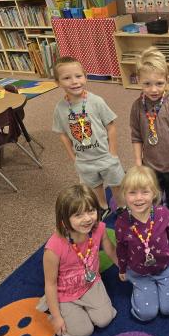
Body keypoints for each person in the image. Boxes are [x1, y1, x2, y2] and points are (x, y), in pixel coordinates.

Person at [39, 184, 117, 336]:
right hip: (65, 293)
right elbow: (50, 283)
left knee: (104, 319)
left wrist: (123, 268)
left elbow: (110, 250)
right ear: (63, 220)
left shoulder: (99, 228)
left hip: (91, 283)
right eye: (78, 215)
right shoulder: (53, 248)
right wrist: (56, 317)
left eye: (91, 211)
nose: (87, 219)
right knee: (82, 332)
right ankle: (50, 306)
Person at [52, 56, 125, 220]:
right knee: (94, 186)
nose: (74, 81)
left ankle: (122, 206)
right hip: (84, 160)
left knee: (116, 183)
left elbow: (111, 126)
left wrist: (113, 153)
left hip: (105, 155)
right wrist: (73, 157)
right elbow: (63, 135)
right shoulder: (60, 108)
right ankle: (103, 206)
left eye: (78, 76)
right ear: (57, 82)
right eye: (66, 78)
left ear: (85, 76)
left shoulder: (96, 101)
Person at [115, 165, 169, 321]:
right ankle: (142, 288)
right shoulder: (121, 222)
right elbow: (121, 248)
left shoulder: (164, 213)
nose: (139, 198)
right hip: (139, 273)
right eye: (132, 193)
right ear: (124, 195)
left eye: (145, 192)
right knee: (146, 314)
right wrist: (122, 269)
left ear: (155, 192)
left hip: (166, 266)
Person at [130, 47, 169, 227]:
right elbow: (135, 135)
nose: (153, 89)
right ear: (138, 80)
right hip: (150, 162)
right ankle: (156, 210)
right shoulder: (137, 107)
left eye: (159, 83)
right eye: (147, 84)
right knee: (153, 190)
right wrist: (138, 162)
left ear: (167, 79)